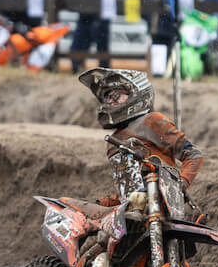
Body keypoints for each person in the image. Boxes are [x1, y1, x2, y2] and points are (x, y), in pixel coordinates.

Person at [78, 68, 203, 206]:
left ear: (135, 93)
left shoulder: (151, 121)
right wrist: (100, 203)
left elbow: (193, 154)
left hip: (160, 205)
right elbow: (130, 190)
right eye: (107, 98)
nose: (110, 102)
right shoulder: (113, 140)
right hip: (135, 208)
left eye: (116, 96)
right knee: (70, 207)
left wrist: (181, 184)